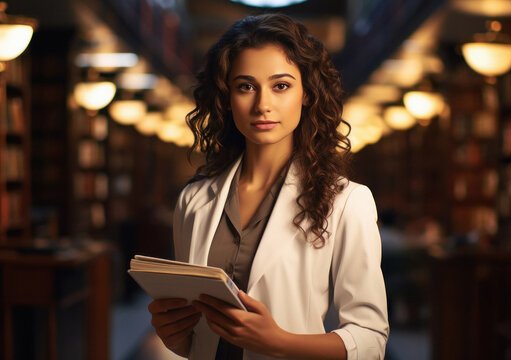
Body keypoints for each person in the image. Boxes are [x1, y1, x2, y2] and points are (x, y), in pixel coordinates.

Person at [148, 13, 389, 360]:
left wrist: (278, 342)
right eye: (245, 86)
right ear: (227, 97)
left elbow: (370, 340)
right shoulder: (193, 201)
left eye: (281, 85)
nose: (263, 105)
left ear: (307, 93)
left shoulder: (348, 201)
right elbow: (196, 337)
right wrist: (175, 336)